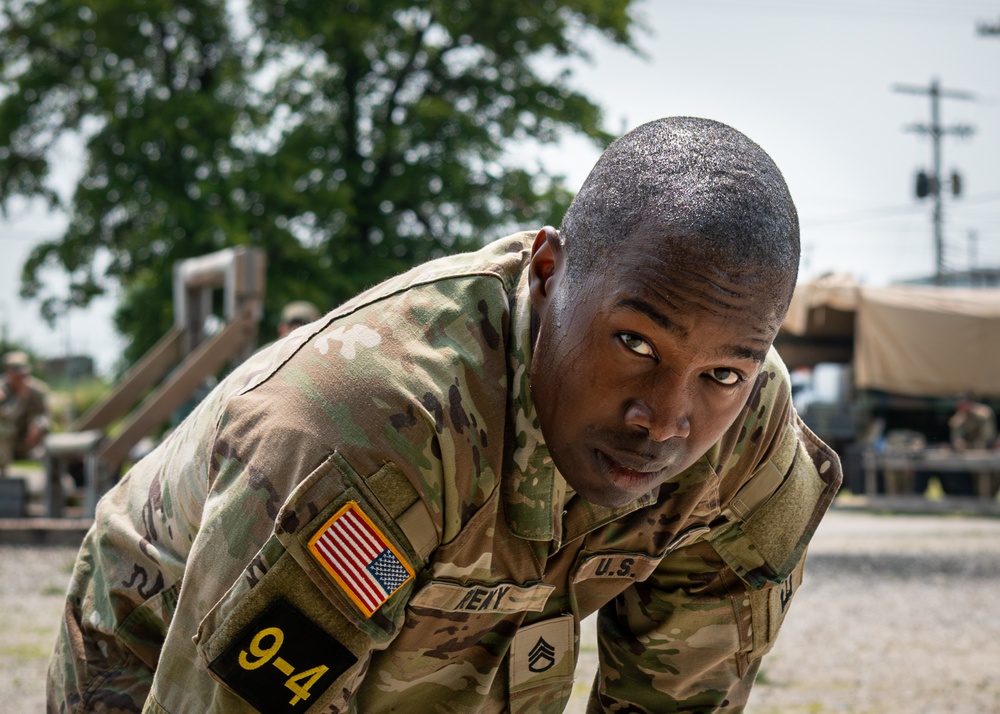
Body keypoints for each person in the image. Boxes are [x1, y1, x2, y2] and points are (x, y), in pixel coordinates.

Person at [47, 117, 842, 713]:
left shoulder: (751, 447)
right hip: (160, 637)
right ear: (546, 274)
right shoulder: (371, 431)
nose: (666, 418)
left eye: (723, 372)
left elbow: (678, 700)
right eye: (635, 341)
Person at [0, 350, 50, 477]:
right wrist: (21, 399)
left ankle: (54, 482)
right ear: (8, 373)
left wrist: (38, 426)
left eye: (23, 374)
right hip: (6, 444)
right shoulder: (2, 390)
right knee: (5, 429)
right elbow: (5, 416)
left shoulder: (37, 390)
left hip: (28, 441)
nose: (20, 379)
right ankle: (5, 480)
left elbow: (45, 415)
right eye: (16, 374)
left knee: (47, 431)